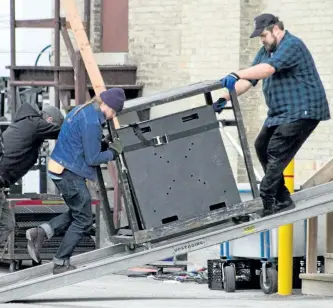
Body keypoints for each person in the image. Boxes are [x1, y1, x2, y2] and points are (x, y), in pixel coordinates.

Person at [213, 13, 330, 218]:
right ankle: (282, 198)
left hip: (303, 111)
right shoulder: (265, 51)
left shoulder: (292, 45)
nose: (262, 40)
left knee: (276, 149)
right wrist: (224, 98)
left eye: (264, 35)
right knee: (261, 146)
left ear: (276, 29)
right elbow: (249, 80)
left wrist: (237, 73)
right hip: (281, 113)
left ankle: (266, 201)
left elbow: (266, 70)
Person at [26, 88, 126, 275]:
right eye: (114, 111)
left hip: (61, 168)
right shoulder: (92, 122)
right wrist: (113, 151)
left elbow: (81, 143)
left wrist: (102, 143)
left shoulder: (82, 110)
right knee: (84, 219)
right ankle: (61, 261)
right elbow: (93, 158)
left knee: (79, 212)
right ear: (106, 105)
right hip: (68, 172)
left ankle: (41, 232)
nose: (113, 116)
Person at [0, 102, 63, 246]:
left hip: (3, 184)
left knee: (7, 224)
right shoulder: (35, 124)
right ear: (49, 120)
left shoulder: (27, 124)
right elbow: (63, 132)